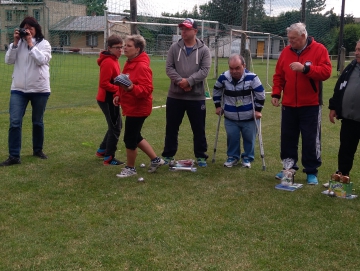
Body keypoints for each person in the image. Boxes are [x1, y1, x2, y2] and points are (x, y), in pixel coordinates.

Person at [271, 22, 332, 185]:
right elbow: (279, 75)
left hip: (311, 105)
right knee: (288, 138)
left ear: (304, 36)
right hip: (289, 104)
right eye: (289, 39)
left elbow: (326, 72)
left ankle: (311, 171)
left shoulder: (320, 50)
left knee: (311, 139)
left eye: (293, 39)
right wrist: (276, 93)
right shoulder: (285, 52)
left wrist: (305, 69)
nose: (290, 42)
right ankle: (288, 168)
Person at [1, 16, 51, 166]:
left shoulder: (44, 44)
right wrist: (15, 43)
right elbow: (8, 60)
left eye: (31, 28)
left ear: (36, 30)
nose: (27, 31)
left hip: (39, 88)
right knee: (15, 122)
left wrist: (30, 44)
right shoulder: (17, 44)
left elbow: (42, 60)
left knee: (37, 122)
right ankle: (14, 156)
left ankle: (37, 150)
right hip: (18, 88)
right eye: (25, 28)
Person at [162, 18, 211, 167]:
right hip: (175, 95)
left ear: (195, 31)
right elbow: (169, 68)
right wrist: (181, 82)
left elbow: (205, 70)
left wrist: (189, 81)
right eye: (182, 29)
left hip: (196, 97)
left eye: (187, 29)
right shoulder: (174, 48)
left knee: (198, 128)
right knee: (171, 127)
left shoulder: (204, 50)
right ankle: (168, 155)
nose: (183, 31)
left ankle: (201, 156)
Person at [113, 35, 165, 178]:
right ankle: (156, 160)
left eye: (129, 46)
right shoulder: (129, 63)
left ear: (138, 49)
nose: (125, 48)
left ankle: (130, 168)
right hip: (130, 106)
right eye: (125, 45)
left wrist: (131, 88)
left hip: (139, 108)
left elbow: (147, 89)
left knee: (129, 138)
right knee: (136, 136)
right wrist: (118, 95)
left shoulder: (142, 66)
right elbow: (123, 81)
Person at [213, 54, 265, 168]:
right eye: (231, 68)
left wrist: (258, 110)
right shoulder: (223, 77)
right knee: (232, 137)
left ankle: (247, 158)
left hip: (249, 116)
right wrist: (217, 106)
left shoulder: (252, 77)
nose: (234, 71)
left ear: (244, 66)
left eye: (237, 68)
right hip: (230, 116)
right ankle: (232, 157)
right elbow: (216, 91)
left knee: (249, 138)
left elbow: (260, 94)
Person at [328, 40, 360, 181]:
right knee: (346, 149)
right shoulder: (351, 67)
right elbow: (339, 87)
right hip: (349, 118)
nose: (357, 53)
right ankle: (342, 174)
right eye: (356, 49)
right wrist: (333, 107)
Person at [96, 34, 124, 165]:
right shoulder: (108, 62)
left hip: (111, 98)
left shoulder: (114, 59)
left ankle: (102, 150)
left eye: (121, 47)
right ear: (109, 48)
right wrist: (118, 90)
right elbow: (104, 83)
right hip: (107, 99)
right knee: (116, 127)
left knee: (115, 126)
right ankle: (109, 157)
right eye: (117, 47)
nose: (120, 50)